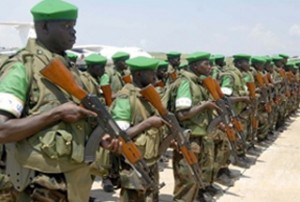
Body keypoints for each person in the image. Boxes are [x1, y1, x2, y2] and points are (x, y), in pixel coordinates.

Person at [0, 1, 119, 201]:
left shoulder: (70, 69)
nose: (73, 33)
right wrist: (56, 114)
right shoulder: (21, 68)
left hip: (74, 182)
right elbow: (2, 130)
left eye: (74, 26)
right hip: (37, 186)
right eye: (66, 26)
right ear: (44, 27)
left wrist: (99, 139)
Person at [110, 56, 167, 202]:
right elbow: (119, 134)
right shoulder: (125, 97)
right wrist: (148, 123)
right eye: (150, 73)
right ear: (139, 74)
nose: (154, 76)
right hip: (133, 162)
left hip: (150, 159)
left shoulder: (147, 94)